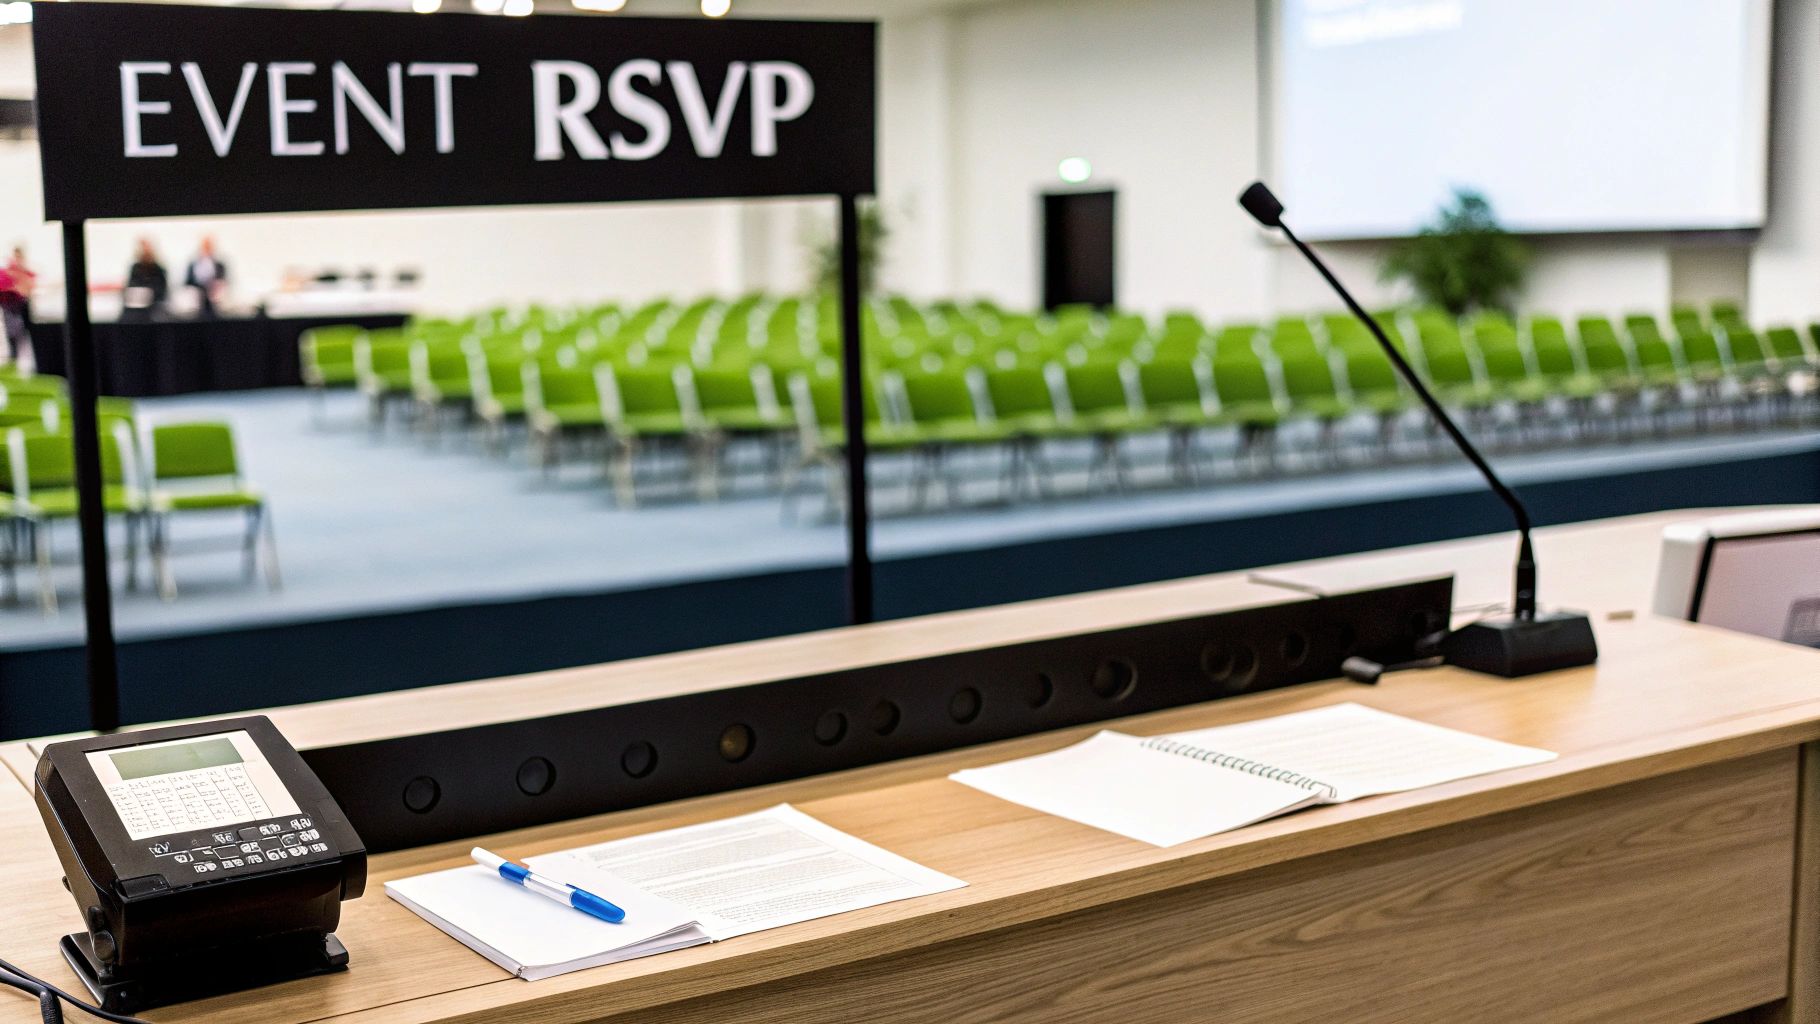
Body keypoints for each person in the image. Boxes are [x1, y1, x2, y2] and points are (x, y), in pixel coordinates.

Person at [0, 245, 31, 366]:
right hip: (9, 305)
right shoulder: (7, 272)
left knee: (21, 333)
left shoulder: (24, 272)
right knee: (12, 332)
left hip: (20, 305)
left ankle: (19, 358)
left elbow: (26, 289)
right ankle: (14, 357)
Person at [184, 235, 229, 318]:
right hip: (197, 298)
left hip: (215, 297)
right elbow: (187, 283)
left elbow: (223, 281)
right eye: (205, 246)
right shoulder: (193, 265)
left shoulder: (219, 265)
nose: (207, 249)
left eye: (209, 246)